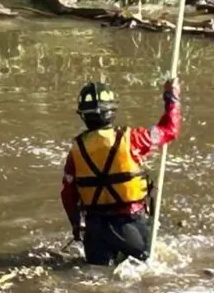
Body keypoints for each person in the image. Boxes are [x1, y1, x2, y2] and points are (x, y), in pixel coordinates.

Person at [60, 78, 181, 265]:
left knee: (97, 278)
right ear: (112, 111)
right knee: (154, 266)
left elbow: (68, 196)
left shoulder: (75, 153)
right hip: (131, 227)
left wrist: (78, 227)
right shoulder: (134, 139)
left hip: (95, 233)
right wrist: (172, 98)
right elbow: (169, 129)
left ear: (83, 115)